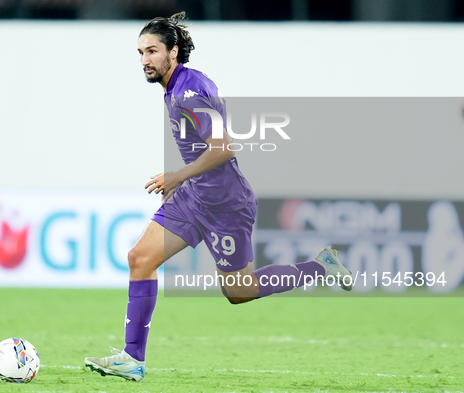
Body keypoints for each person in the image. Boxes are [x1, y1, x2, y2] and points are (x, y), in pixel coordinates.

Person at [85, 12, 353, 382]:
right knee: (140, 258)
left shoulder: (189, 92)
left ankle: (321, 266)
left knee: (239, 291)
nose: (145, 59)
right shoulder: (177, 86)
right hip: (196, 196)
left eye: (152, 51)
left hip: (227, 204)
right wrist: (183, 183)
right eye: (140, 52)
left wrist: (176, 175)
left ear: (173, 52)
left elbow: (223, 147)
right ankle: (132, 359)